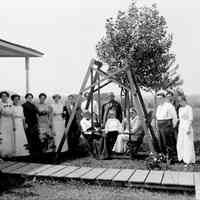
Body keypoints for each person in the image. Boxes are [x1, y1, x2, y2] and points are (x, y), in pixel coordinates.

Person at [156, 91, 178, 161]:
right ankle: (163, 156)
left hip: (167, 125)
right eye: (158, 99)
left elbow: (175, 118)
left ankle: (170, 157)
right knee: (161, 142)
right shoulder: (159, 107)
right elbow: (157, 118)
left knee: (168, 143)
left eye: (161, 98)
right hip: (160, 126)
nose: (159, 100)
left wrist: (172, 127)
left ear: (164, 98)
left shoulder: (169, 106)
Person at [176, 95, 195, 165]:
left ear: (184, 100)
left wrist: (188, 128)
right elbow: (180, 119)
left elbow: (191, 119)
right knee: (180, 143)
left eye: (181, 101)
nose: (180, 102)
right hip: (181, 128)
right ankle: (182, 158)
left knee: (188, 144)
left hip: (187, 127)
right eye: (179, 101)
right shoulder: (180, 109)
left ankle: (188, 160)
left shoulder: (189, 108)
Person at [0, 91, 15, 158]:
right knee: (3, 136)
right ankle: (3, 153)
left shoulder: (11, 104)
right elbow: (3, 112)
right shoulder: (0, 104)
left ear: (7, 97)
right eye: (2, 96)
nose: (4, 97)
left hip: (9, 121)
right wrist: (6, 113)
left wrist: (13, 124)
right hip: (3, 121)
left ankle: (9, 153)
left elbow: (12, 113)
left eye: (5, 96)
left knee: (9, 136)